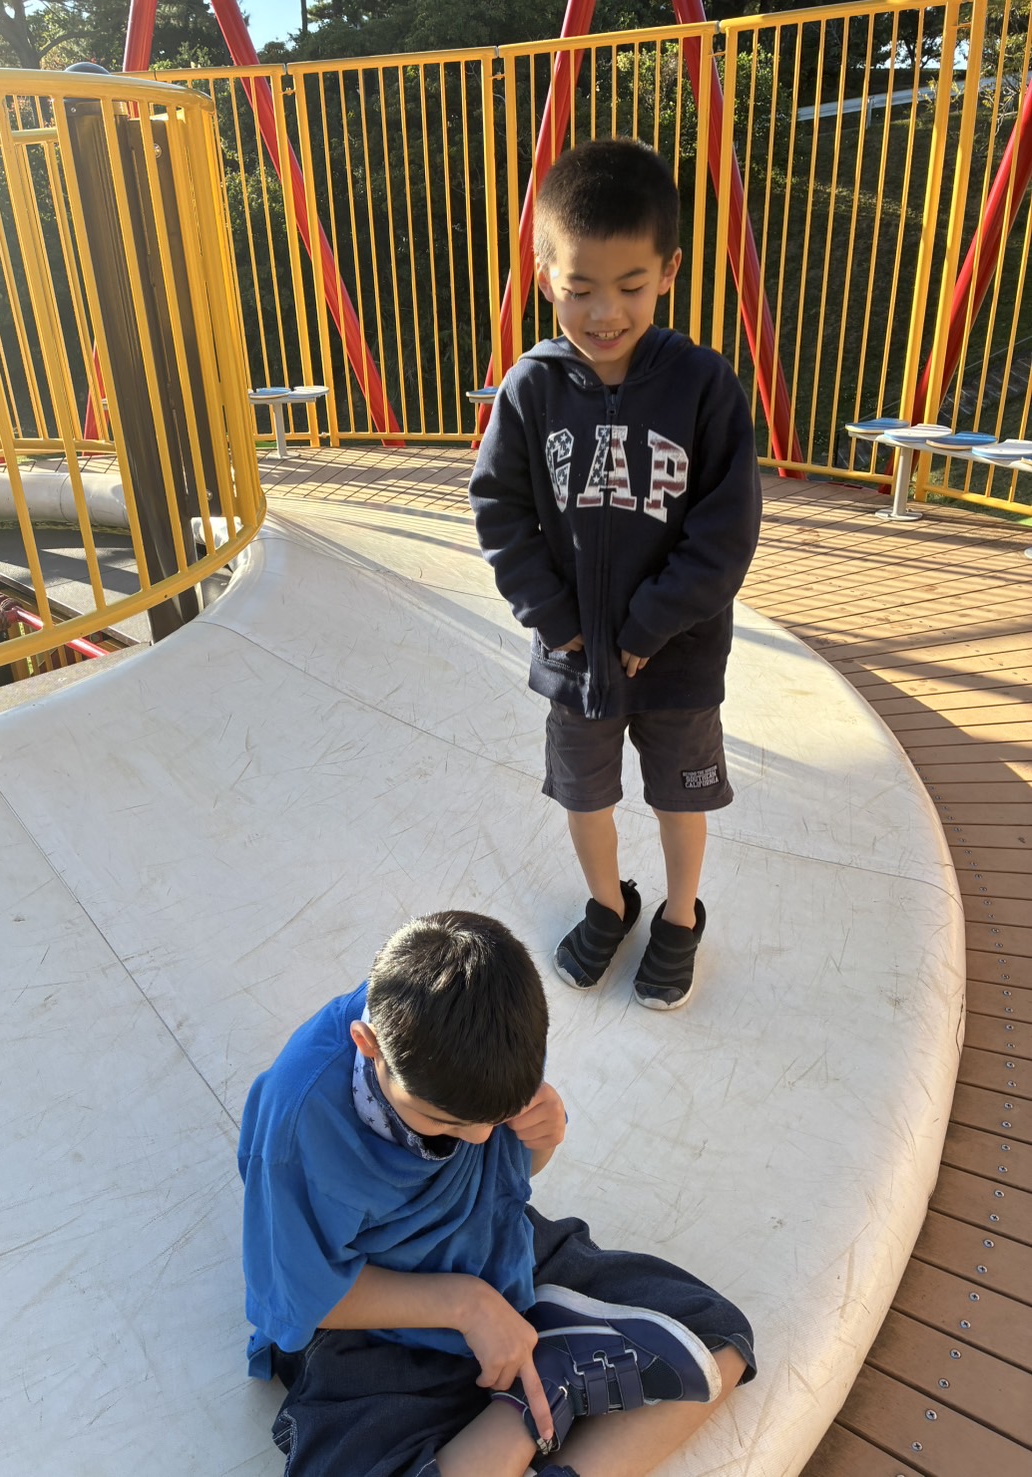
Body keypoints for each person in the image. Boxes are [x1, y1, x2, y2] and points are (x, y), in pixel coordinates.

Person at [239, 910, 755, 1477]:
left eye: (495, 1117)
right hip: (376, 1325)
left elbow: (510, 1180)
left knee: (717, 1341)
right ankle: (548, 1379)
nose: (481, 1139)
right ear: (368, 1046)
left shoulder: (496, 1033)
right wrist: (468, 1305)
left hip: (501, 1249)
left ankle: (552, 1372)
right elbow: (299, 1298)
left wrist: (543, 1137)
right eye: (445, 1122)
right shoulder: (298, 1126)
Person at [468, 138, 762, 1010]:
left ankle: (679, 915)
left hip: (676, 658)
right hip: (575, 659)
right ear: (544, 276)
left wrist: (650, 623)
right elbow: (500, 510)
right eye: (580, 287)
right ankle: (608, 903)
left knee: (679, 795)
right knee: (584, 794)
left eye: (631, 286)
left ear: (669, 270)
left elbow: (725, 533)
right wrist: (555, 619)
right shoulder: (530, 389)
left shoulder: (704, 386)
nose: (604, 312)